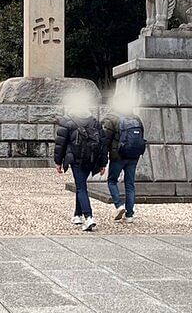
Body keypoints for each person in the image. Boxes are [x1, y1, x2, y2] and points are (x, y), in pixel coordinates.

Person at [54, 95, 108, 232]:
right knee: (81, 184)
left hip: (76, 159)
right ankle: (77, 215)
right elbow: (103, 144)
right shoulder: (95, 122)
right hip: (91, 159)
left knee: (81, 187)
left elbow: (60, 144)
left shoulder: (67, 121)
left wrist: (58, 162)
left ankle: (89, 217)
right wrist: (103, 163)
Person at [101, 93, 147, 224]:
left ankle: (118, 205)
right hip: (133, 155)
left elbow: (105, 141)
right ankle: (130, 215)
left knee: (112, 181)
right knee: (130, 184)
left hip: (118, 156)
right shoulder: (136, 118)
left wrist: (103, 160)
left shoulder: (110, 118)